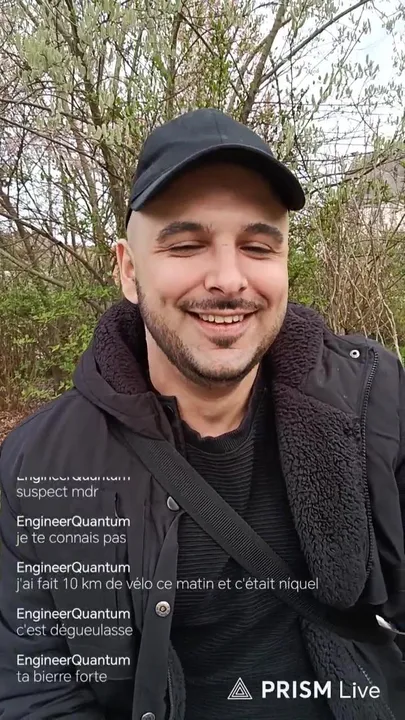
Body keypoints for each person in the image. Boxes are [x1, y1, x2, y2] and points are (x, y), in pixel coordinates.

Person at [0, 107, 404, 720]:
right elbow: (36, 691)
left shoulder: (375, 403)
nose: (228, 279)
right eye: (186, 245)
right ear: (128, 270)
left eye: (257, 246)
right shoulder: (41, 465)